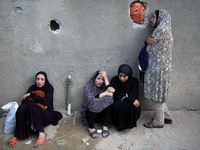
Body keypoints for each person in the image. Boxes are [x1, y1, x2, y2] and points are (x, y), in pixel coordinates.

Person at [8, 71, 63, 147]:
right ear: (35, 79)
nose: (39, 81)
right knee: (22, 107)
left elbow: (46, 101)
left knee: (32, 106)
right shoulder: (32, 87)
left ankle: (41, 133)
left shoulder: (49, 88)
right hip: (32, 113)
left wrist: (31, 95)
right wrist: (37, 103)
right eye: (37, 79)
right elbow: (24, 101)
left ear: (45, 80)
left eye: (42, 79)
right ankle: (17, 134)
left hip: (46, 115)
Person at [143, 10, 173, 128]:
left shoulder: (160, 31)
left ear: (160, 19)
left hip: (158, 70)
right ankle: (167, 117)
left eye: (154, 17)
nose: (151, 20)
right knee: (159, 94)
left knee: (157, 96)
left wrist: (145, 42)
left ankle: (158, 122)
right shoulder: (167, 31)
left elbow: (149, 50)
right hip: (164, 69)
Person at [81, 70, 114, 138]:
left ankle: (105, 125)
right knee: (93, 103)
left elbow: (111, 92)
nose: (100, 81)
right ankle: (91, 127)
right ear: (94, 78)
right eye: (98, 78)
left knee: (110, 99)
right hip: (90, 116)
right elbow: (91, 100)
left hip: (101, 116)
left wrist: (106, 78)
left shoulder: (104, 87)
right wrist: (105, 94)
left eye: (102, 79)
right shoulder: (88, 87)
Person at [110, 64, 141, 131]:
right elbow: (114, 96)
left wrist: (119, 94)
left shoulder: (134, 81)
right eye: (120, 76)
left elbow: (133, 95)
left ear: (129, 75)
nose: (121, 78)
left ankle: (129, 124)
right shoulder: (114, 80)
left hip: (129, 102)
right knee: (118, 104)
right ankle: (118, 124)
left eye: (124, 76)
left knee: (133, 105)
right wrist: (127, 97)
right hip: (119, 102)